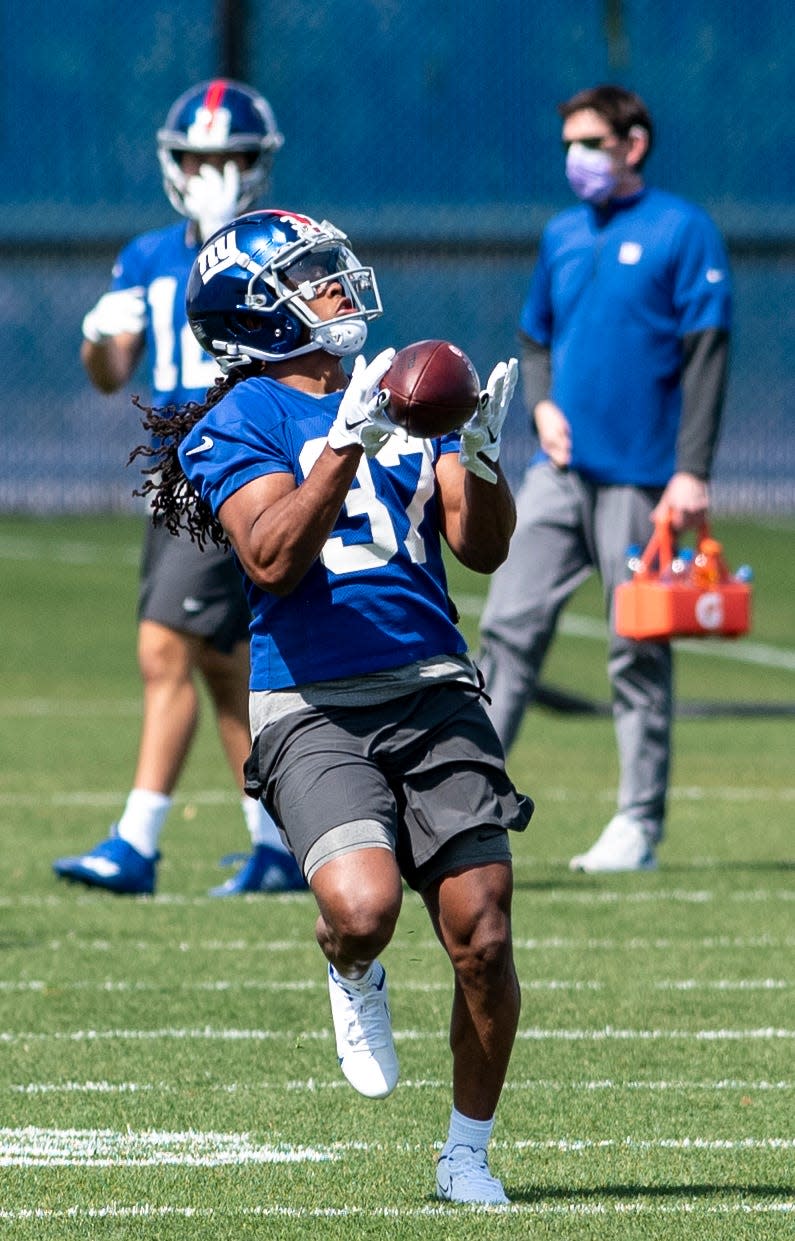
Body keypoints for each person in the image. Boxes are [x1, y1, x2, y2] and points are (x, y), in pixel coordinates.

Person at [137, 208, 534, 1203]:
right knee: (364, 910)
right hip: (311, 700)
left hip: (433, 684)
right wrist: (344, 444)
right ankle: (350, 967)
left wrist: (480, 458)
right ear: (257, 312)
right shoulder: (238, 421)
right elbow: (269, 556)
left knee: (482, 931)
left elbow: (480, 546)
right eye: (311, 278)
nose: (337, 289)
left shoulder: (408, 385)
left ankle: (466, 1153)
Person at [52, 80, 305, 896]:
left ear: (258, 166)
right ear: (174, 162)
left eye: (231, 157)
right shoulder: (151, 253)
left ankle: (138, 840)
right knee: (228, 667)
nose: (213, 173)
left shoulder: (280, 247)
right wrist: (97, 335)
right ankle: (279, 843)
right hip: (178, 469)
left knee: (165, 646)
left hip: (233, 458)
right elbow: (110, 371)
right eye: (199, 157)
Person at [478, 84, 732, 873]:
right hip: (557, 471)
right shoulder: (560, 233)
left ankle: (636, 824)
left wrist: (690, 471)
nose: (574, 159)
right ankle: (466, 799)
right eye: (567, 145)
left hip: (644, 481)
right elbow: (534, 336)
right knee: (505, 628)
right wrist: (542, 404)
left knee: (636, 648)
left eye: (589, 142)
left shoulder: (682, 230)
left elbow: (705, 356)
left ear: (633, 144)